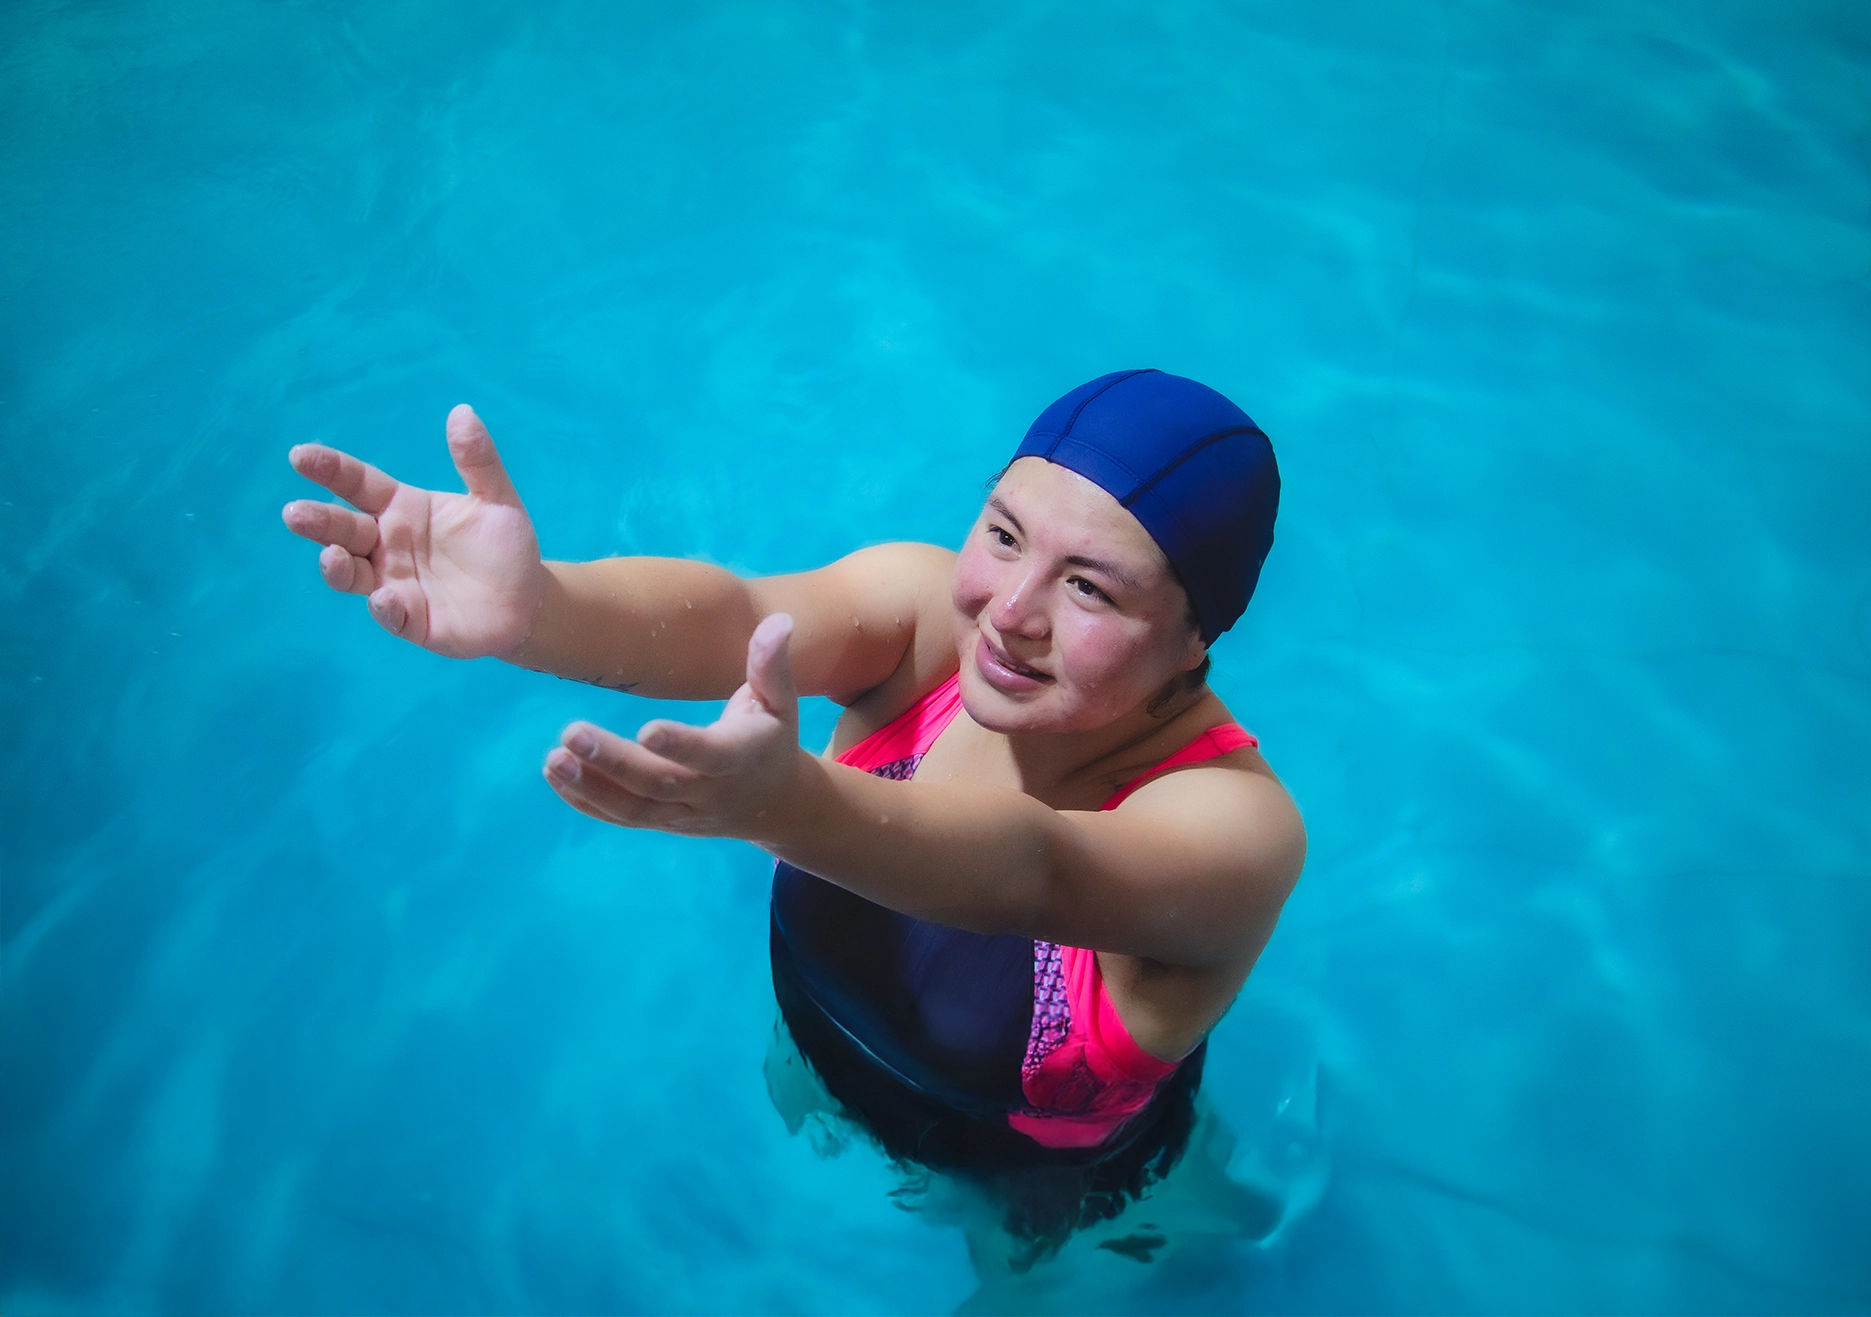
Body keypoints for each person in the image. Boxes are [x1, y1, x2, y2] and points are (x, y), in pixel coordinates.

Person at [282, 369, 1306, 1262]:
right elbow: (735, 614)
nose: (1007, 611)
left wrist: (788, 805)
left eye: (1087, 588)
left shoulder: (1235, 831)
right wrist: (540, 611)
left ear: (1192, 641)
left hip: (1047, 1194)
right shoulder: (920, 623)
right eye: (1001, 532)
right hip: (829, 1042)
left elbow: (1038, 870)